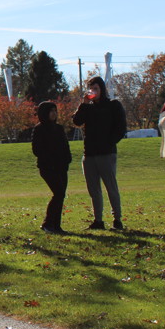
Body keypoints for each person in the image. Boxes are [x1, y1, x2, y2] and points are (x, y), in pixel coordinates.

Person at [73, 76, 128, 230]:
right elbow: (77, 121)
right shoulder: (87, 108)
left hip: (106, 153)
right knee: (94, 190)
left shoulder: (113, 105)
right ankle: (98, 220)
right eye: (91, 89)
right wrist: (83, 105)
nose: (93, 92)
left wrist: (109, 143)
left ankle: (117, 219)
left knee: (111, 187)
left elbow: (121, 128)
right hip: (89, 154)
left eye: (96, 89)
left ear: (102, 89)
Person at [31, 101, 72, 234]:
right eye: (51, 111)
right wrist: (51, 157)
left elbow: (65, 146)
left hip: (61, 166)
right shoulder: (39, 129)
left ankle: (56, 225)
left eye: (55, 111)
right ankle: (47, 223)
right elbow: (37, 149)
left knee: (61, 195)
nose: (54, 114)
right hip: (47, 167)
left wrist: (67, 159)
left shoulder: (59, 128)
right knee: (58, 193)